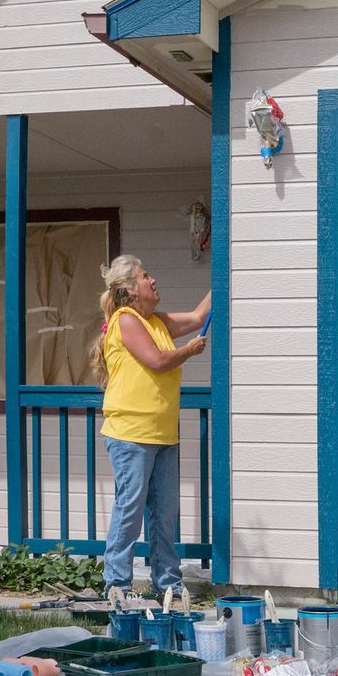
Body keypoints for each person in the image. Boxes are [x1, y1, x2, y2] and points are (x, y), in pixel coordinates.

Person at [91, 255, 209, 604]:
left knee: (164, 513)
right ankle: (117, 585)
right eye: (146, 276)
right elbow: (157, 361)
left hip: (162, 433)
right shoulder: (126, 320)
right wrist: (189, 350)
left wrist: (225, 277)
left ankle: (168, 585)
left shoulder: (155, 320)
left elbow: (199, 317)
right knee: (130, 511)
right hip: (131, 434)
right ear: (130, 289)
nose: (153, 280)